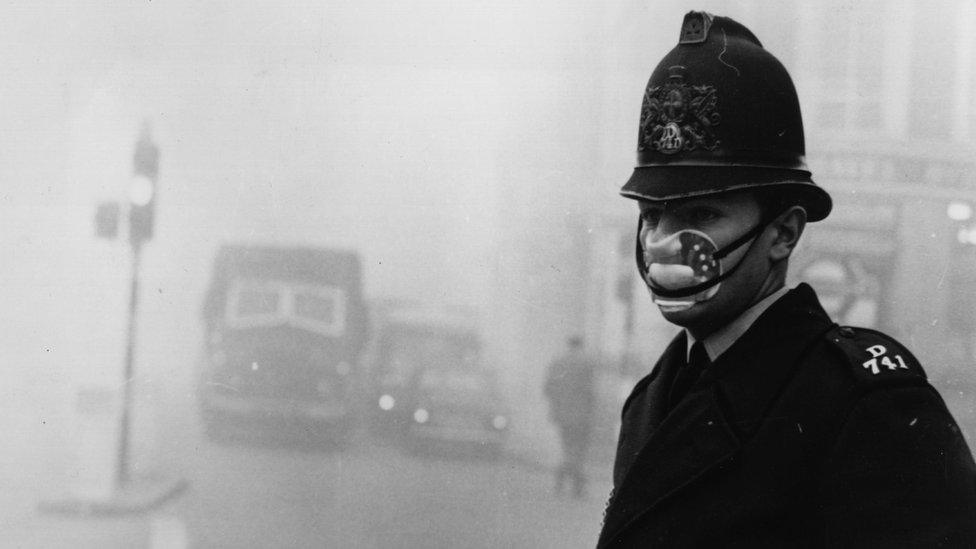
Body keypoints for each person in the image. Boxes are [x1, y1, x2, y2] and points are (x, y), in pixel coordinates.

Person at [597, 12, 976, 548]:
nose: (664, 243)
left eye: (702, 216)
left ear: (784, 233)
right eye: (654, 215)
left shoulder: (866, 404)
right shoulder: (652, 399)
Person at [545, 336, 597, 498]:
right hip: (582, 415)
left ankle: (561, 481)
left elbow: (547, 388)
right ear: (581, 345)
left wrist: (558, 404)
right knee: (579, 450)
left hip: (563, 415)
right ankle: (576, 486)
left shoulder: (558, 362)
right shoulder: (586, 363)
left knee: (567, 447)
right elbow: (591, 391)